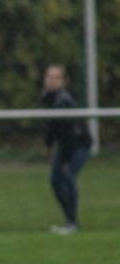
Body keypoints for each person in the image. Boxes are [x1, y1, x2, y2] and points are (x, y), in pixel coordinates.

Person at [41, 65, 92, 235]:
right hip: (65, 145)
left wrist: (66, 158)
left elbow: (70, 131)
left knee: (68, 176)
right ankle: (69, 220)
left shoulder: (64, 100)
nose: (51, 80)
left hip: (78, 145)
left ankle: (72, 223)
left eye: (56, 77)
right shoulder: (48, 98)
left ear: (63, 81)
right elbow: (51, 126)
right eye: (49, 76)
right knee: (55, 180)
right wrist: (48, 145)